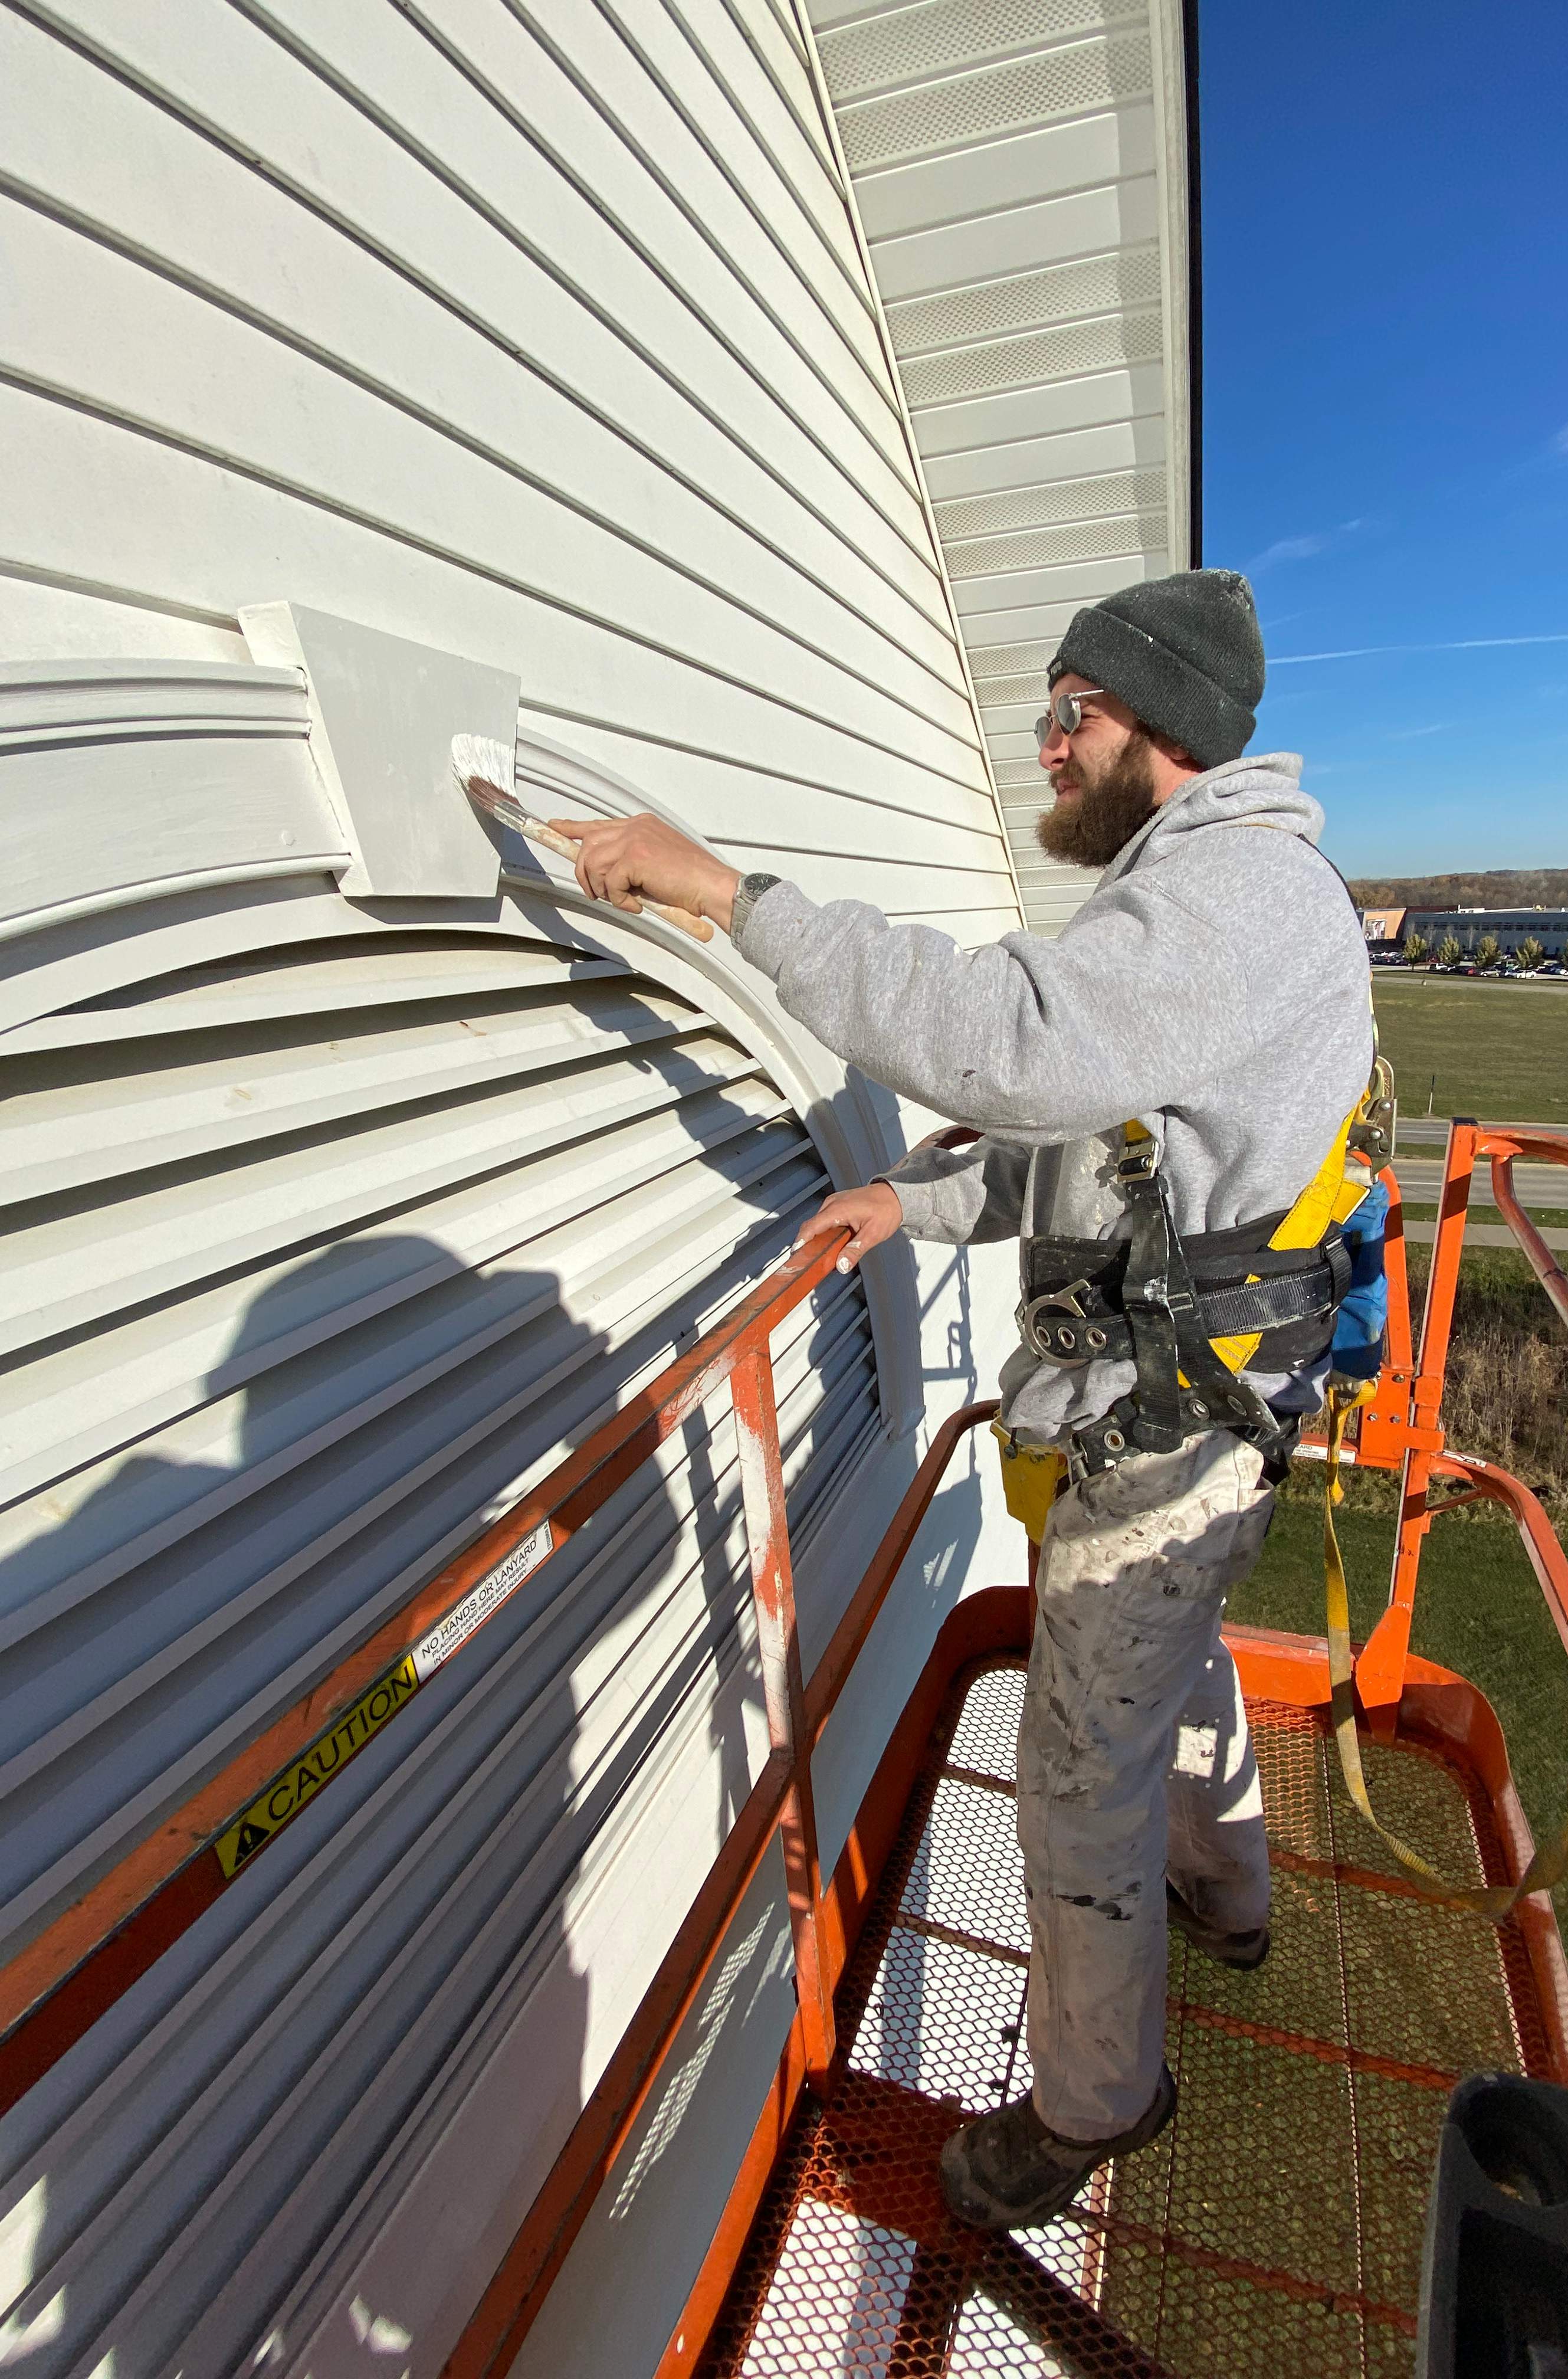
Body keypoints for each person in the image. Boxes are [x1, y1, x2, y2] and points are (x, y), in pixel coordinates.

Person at [548, 569, 1373, 2231]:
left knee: (1079, 1778)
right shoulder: (1199, 900)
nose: (1046, 747)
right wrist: (910, 1207)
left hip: (1169, 1443)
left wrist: (731, 894)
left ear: (1160, 723)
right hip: (1191, 1429)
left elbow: (1011, 1046)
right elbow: (1095, 1146)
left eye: (1069, 709)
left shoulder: (1235, 905)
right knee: (1171, 1676)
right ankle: (1231, 1892)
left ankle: (1091, 2107)